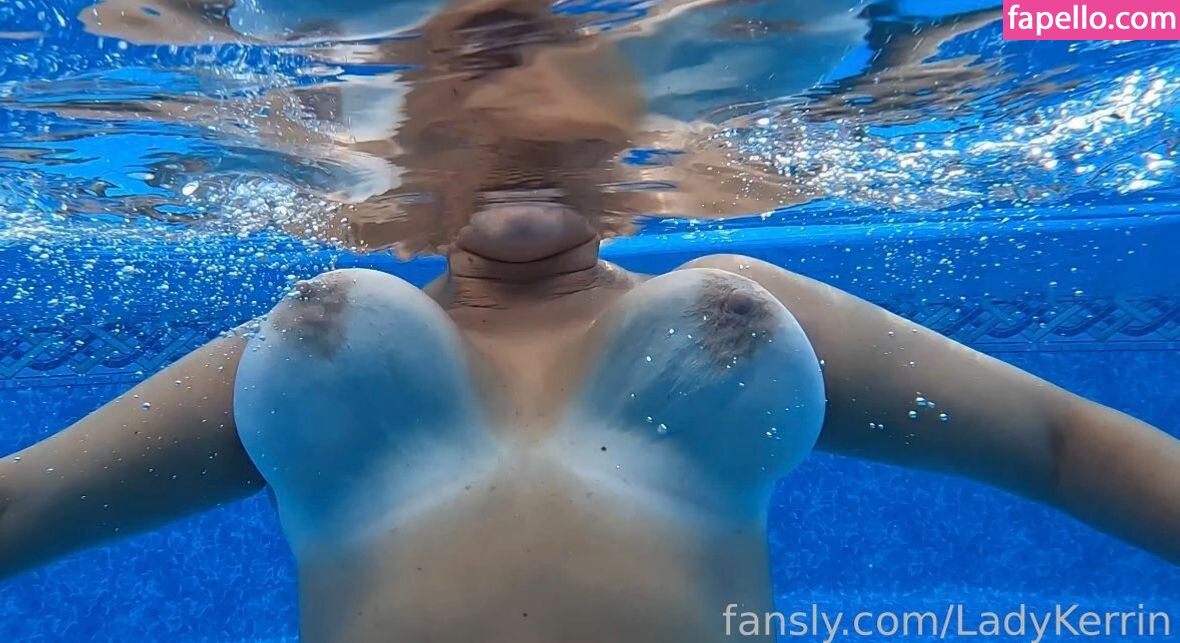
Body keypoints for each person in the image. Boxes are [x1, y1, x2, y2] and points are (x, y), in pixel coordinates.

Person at [3, 1, 1179, 642]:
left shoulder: (759, 300)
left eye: (555, 98)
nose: (516, 129)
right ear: (407, 144)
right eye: (470, 110)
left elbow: (1058, 443)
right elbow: (26, 504)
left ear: (625, 128)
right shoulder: (282, 343)